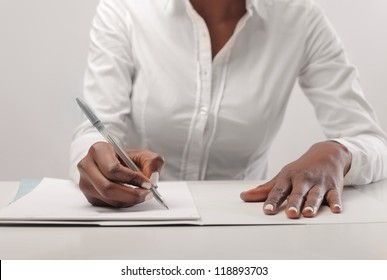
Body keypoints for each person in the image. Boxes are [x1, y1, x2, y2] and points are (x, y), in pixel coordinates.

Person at [70, 0, 387, 219]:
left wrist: (339, 152)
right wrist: (94, 156)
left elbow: (372, 141)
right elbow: (95, 129)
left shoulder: (300, 19)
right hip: (139, 221)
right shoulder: (126, 9)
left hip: (248, 224)